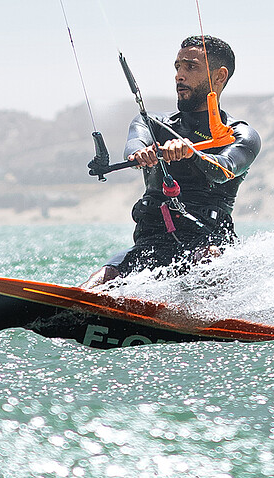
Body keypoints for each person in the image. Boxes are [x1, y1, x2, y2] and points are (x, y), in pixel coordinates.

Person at [83, 35, 261, 288]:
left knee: (208, 263)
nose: (179, 75)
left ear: (219, 76)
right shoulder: (153, 123)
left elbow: (225, 169)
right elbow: (134, 145)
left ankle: (198, 320)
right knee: (101, 280)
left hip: (208, 242)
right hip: (152, 241)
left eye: (191, 67)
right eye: (177, 66)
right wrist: (140, 154)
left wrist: (192, 153)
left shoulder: (240, 134)